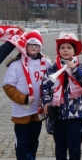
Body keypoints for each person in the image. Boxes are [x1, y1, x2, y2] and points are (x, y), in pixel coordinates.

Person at [41, 32, 82, 160]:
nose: (65, 50)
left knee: (74, 148)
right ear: (58, 50)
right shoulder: (52, 69)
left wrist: (74, 69)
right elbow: (45, 88)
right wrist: (46, 102)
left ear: (74, 51)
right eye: (62, 48)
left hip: (76, 115)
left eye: (69, 48)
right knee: (60, 148)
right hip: (58, 115)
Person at [2, 30, 52, 160]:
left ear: (40, 46)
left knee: (34, 141)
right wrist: (23, 99)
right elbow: (8, 87)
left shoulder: (46, 63)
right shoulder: (15, 64)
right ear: (25, 46)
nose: (34, 47)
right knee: (22, 142)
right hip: (22, 111)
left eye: (37, 45)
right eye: (31, 44)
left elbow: (52, 83)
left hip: (38, 111)